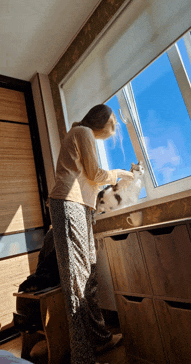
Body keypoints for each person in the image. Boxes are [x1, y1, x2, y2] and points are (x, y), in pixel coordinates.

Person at [49, 104, 134, 364]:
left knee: (89, 277)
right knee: (77, 281)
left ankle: (100, 339)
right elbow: (96, 174)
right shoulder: (83, 132)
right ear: (102, 118)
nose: (115, 125)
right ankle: (82, 358)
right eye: (114, 120)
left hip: (79, 206)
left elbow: (90, 178)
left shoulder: (82, 134)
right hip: (68, 203)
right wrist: (120, 173)